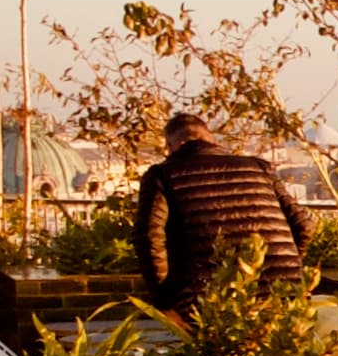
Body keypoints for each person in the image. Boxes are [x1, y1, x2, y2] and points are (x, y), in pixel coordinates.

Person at [132, 112, 309, 309]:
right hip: (281, 291)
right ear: (212, 139)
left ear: (174, 146)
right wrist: (283, 263)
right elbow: (304, 225)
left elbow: (149, 237)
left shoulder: (161, 175)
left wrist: (164, 299)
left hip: (209, 297)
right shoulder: (259, 167)